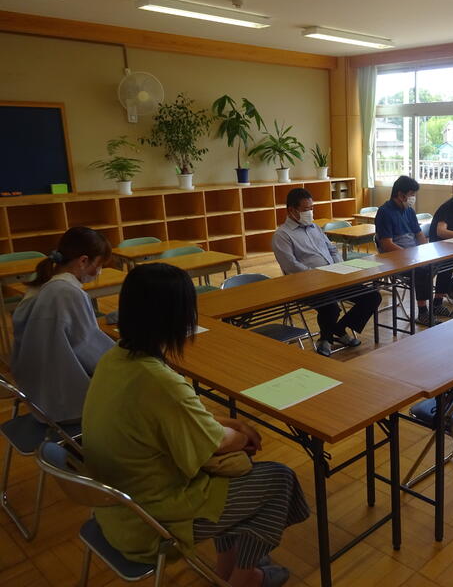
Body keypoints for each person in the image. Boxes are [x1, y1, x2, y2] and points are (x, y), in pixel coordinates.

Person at [82, 263, 309, 587]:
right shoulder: (158, 381)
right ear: (176, 318)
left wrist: (232, 425)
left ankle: (225, 568)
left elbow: (183, 420)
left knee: (233, 473)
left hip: (119, 506)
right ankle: (246, 578)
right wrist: (241, 433)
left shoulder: (115, 359)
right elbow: (217, 442)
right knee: (278, 480)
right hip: (151, 519)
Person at [11, 226, 115, 423]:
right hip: (66, 404)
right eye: (99, 265)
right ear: (83, 261)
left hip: (35, 395)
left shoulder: (40, 284)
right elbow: (90, 350)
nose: (99, 272)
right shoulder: (67, 293)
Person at [272, 187, 381, 357]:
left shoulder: (315, 227)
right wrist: (319, 275)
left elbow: (332, 249)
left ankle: (339, 329)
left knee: (372, 296)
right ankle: (325, 339)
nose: (310, 212)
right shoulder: (282, 235)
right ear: (291, 211)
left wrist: (338, 268)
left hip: (333, 277)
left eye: (311, 208)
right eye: (305, 209)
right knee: (330, 307)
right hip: (304, 284)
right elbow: (291, 265)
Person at [375, 175, 453, 325]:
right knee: (423, 269)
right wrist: (411, 257)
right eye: (412, 194)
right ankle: (423, 312)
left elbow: (419, 235)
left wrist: (427, 251)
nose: (413, 198)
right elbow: (387, 245)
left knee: (446, 260)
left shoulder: (409, 211)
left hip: (413, 255)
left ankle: (437, 304)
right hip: (395, 258)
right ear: (401, 194)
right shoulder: (384, 212)